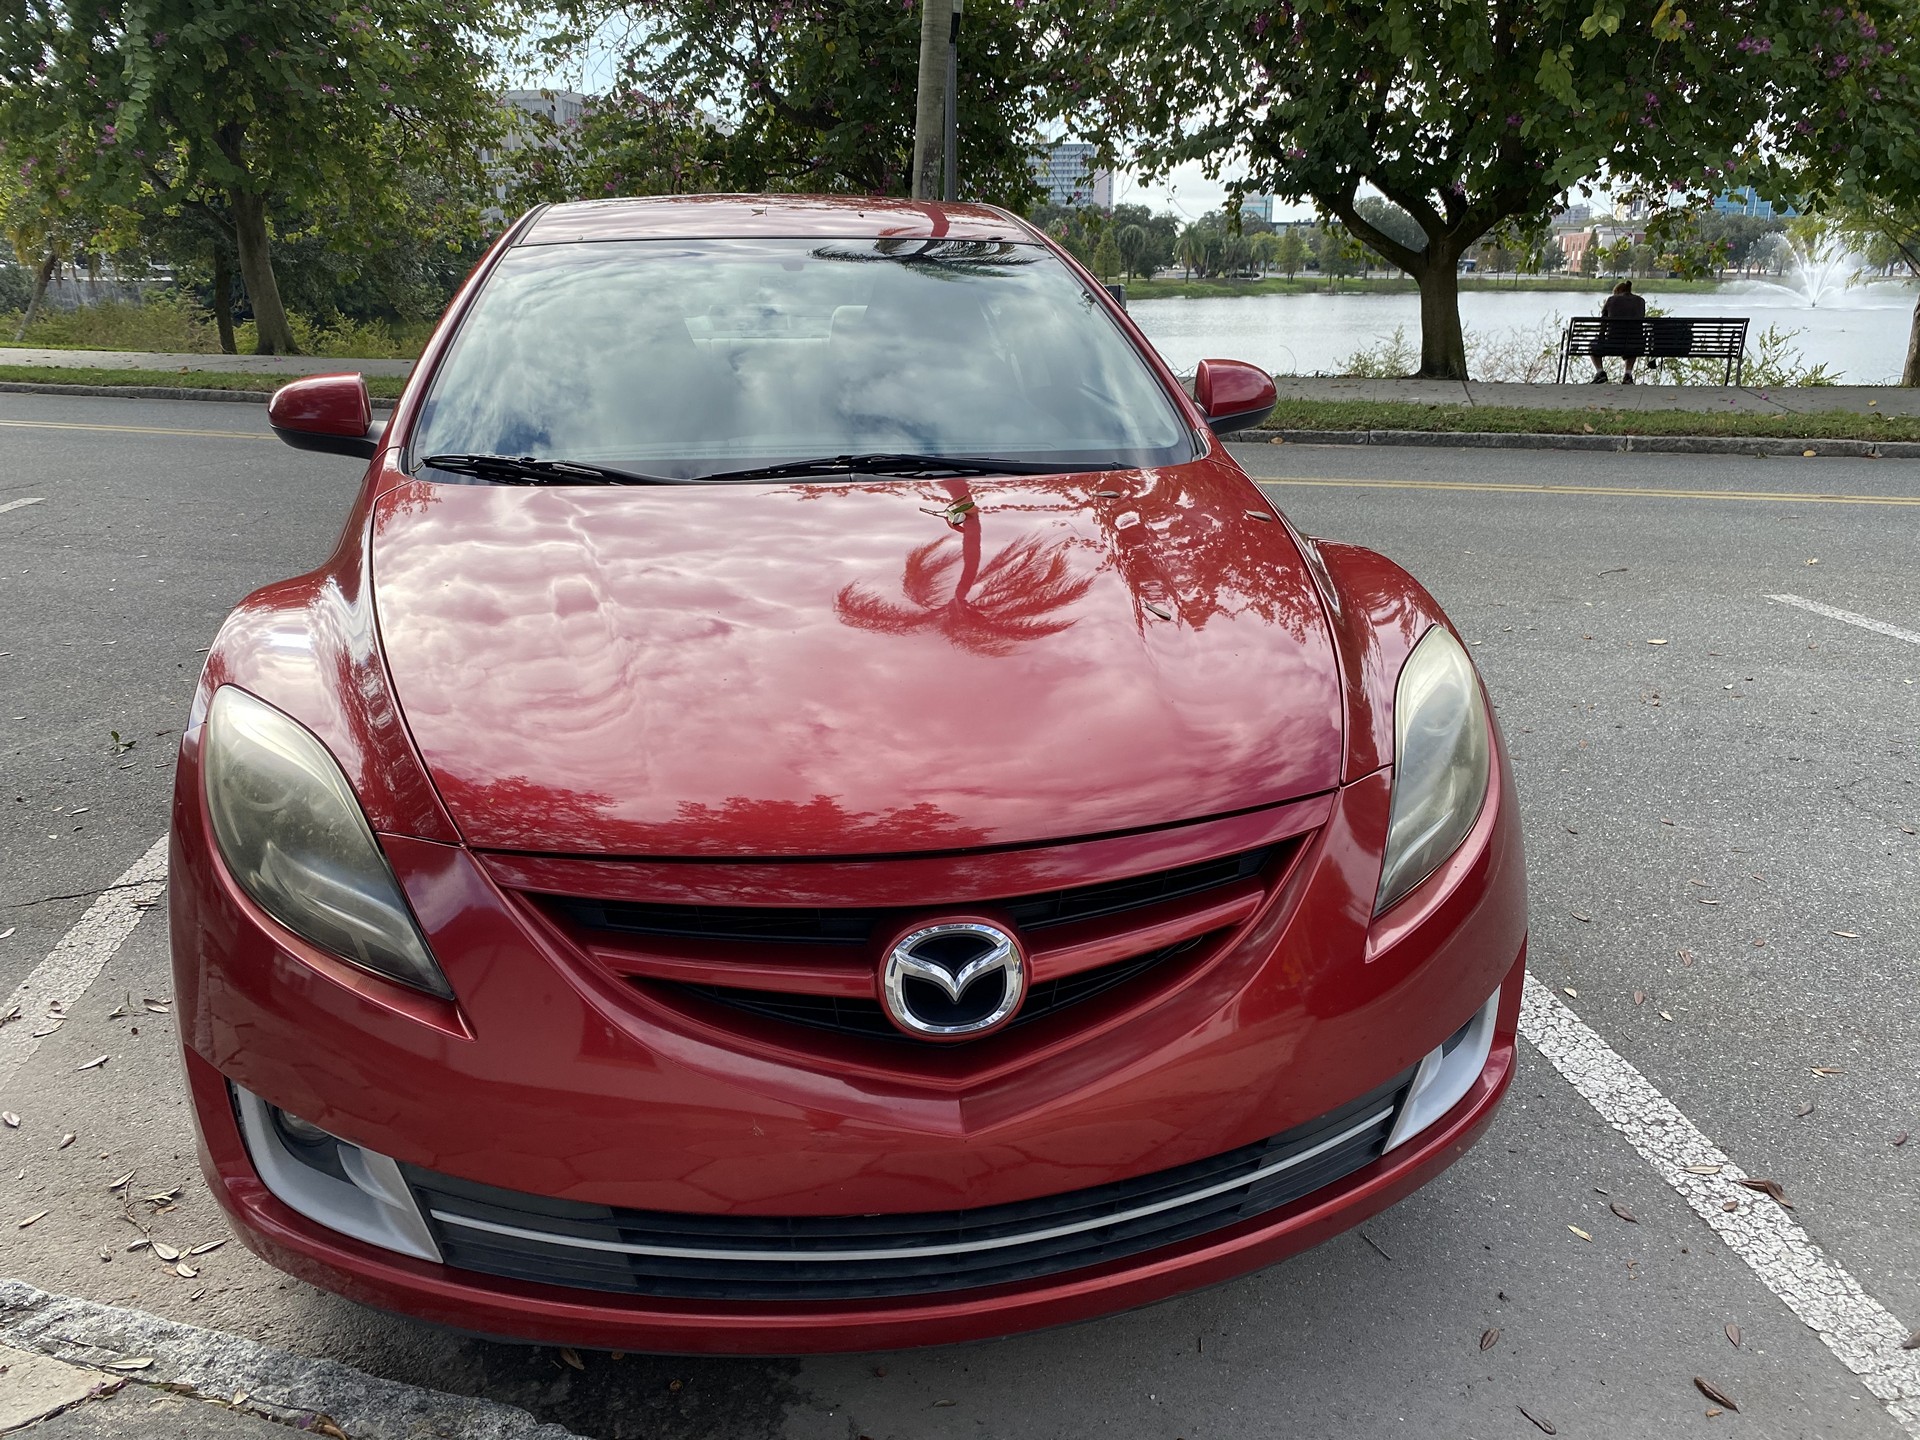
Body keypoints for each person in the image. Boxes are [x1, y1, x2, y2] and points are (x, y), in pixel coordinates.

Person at [1592, 279, 1648, 383]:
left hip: (1613, 342)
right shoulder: (1641, 301)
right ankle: (1628, 374)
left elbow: (1603, 322)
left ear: (1617, 291)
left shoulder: (1611, 300)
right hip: (1636, 344)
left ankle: (1600, 372)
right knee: (1633, 340)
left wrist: (1600, 337)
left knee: (1593, 344)